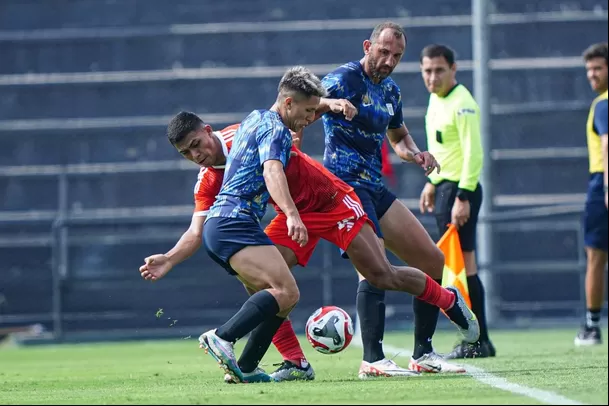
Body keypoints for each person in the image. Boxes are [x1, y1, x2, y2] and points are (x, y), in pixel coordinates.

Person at [140, 71, 478, 382]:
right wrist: (170, 257)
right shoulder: (212, 176)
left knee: (382, 275)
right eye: (187, 153)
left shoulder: (246, 129)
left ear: (208, 131)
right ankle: (291, 363)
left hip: (330, 201)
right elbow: (196, 231)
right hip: (292, 213)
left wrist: (326, 104)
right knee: (262, 284)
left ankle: (447, 300)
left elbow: (294, 113)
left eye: (197, 145)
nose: (196, 154)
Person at [319, 21, 470, 375]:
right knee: (373, 268)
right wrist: (331, 104)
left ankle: (423, 355)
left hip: (375, 184)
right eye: (383, 52)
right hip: (345, 187)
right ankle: (372, 359)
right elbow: (305, 104)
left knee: (432, 260)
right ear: (368, 45)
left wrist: (417, 154)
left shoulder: (391, 91)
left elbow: (398, 136)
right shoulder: (342, 78)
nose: (388, 61)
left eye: (396, 56)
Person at [418, 44, 495, 359]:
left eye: (439, 70)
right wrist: (432, 182)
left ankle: (479, 340)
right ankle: (477, 339)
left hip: (460, 191)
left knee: (463, 266)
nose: (432, 77)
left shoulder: (462, 102)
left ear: (453, 69)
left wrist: (462, 197)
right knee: (457, 266)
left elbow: (473, 153)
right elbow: (444, 148)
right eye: (427, 71)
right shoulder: (437, 99)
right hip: (446, 188)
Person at [575, 42, 608, 346]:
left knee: (596, 257)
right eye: (589, 69)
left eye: (598, 68)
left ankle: (591, 326)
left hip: (602, 183)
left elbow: (607, 143)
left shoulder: (603, 104)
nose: (592, 74)